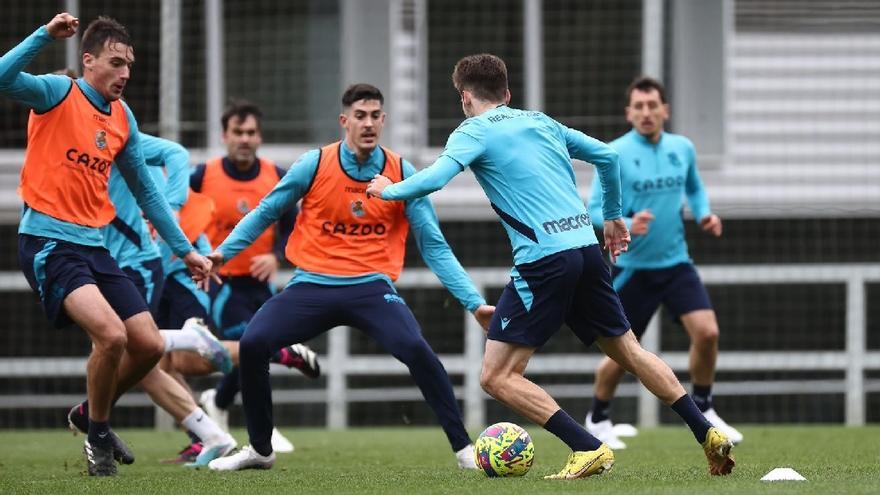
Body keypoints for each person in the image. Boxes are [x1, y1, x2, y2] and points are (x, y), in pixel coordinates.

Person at [366, 54, 735, 479]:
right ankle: (705, 431)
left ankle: (587, 446)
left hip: (544, 260)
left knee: (497, 376)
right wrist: (614, 217)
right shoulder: (542, 122)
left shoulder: (471, 131)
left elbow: (432, 180)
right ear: (506, 94)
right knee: (630, 351)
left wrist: (387, 190)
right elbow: (607, 158)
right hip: (586, 250)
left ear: (465, 98)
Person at [203, 83, 494, 471]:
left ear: (384, 121)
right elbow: (266, 210)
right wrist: (224, 252)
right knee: (254, 342)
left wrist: (473, 303)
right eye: (360, 115)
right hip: (312, 284)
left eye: (375, 116)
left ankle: (463, 450)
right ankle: (260, 450)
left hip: (371, 288)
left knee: (416, 348)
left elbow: (434, 246)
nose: (368, 123)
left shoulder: (401, 172)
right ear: (345, 121)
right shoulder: (315, 164)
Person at [0, 14, 212, 476]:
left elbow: (147, 193)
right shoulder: (59, 93)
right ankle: (98, 434)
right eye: (116, 63)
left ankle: (89, 416)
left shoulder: (122, 118)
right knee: (112, 336)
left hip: (95, 247)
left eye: (130, 65)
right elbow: (2, 76)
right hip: (48, 242)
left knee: (149, 345)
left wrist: (186, 251)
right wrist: (42, 35)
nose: (125, 74)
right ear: (88, 60)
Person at [584, 76, 743, 449]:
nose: (646, 113)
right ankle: (598, 417)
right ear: (629, 113)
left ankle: (705, 407)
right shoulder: (614, 154)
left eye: (652, 105)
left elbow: (694, 188)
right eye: (638, 107)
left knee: (708, 332)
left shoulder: (682, 148)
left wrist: (704, 214)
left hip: (676, 264)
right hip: (633, 270)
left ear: (665, 110)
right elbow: (593, 210)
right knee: (623, 354)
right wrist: (625, 219)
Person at [66, 132, 238, 468]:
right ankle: (211, 435)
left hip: (132, 263)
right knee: (140, 363)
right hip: (106, 259)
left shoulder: (111, 132)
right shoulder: (67, 151)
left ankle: (94, 419)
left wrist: (172, 209)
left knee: (130, 350)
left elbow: (176, 153)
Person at [189, 99, 298, 452]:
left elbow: (294, 227)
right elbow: (181, 217)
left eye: (251, 132)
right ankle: (257, 424)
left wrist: (276, 256)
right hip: (221, 285)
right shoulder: (203, 176)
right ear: (224, 135)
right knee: (254, 342)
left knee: (260, 346)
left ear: (260, 136)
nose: (245, 139)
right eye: (238, 132)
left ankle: (219, 402)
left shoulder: (276, 176)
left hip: (260, 285)